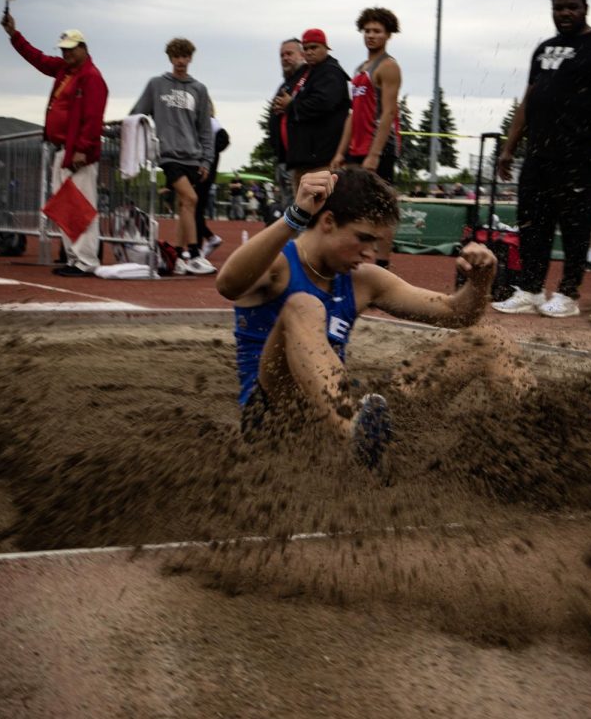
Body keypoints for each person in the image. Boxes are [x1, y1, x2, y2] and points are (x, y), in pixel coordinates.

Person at [215, 166, 529, 469]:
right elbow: (228, 284)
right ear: (327, 222)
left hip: (350, 413)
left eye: (376, 244)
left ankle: (537, 443)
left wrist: (482, 280)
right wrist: (295, 216)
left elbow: (457, 314)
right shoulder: (278, 266)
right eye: (363, 239)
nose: (370, 253)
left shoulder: (364, 279)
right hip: (274, 419)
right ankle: (352, 435)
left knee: (489, 340)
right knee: (304, 305)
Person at [492, 0, 591, 318]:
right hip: (539, 155)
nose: (565, 13)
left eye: (572, 7)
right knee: (532, 224)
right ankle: (530, 289)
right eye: (558, 7)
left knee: (575, 226)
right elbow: (528, 100)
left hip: (581, 155)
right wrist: (509, 148)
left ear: (586, 9)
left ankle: (568, 294)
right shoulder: (544, 49)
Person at [1, 15, 108, 276]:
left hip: (77, 153)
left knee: (80, 207)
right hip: (64, 150)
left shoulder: (91, 77)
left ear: (83, 48)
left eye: (71, 49)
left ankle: (86, 260)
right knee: (68, 207)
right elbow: (37, 58)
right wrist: (15, 35)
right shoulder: (67, 71)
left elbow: (93, 118)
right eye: (64, 49)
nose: (66, 53)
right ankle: (74, 258)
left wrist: (82, 148)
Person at [131, 38, 215, 275]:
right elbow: (138, 114)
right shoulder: (156, 84)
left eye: (184, 56)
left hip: (193, 157)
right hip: (168, 155)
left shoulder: (199, 89)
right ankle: (195, 255)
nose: (180, 61)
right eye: (176, 56)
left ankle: (176, 256)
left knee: (183, 206)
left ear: (190, 58)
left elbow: (205, 129)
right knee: (190, 200)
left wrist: (206, 160)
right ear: (170, 58)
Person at [332, 7, 402, 268]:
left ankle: (381, 265)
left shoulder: (389, 67)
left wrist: (375, 153)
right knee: (351, 203)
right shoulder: (361, 68)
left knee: (381, 205)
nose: (371, 35)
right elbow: (353, 112)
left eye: (377, 31)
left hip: (379, 146)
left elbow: (388, 113)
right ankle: (353, 260)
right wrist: (341, 151)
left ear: (388, 35)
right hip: (356, 145)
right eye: (367, 31)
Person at [272, 29, 350, 189]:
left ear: (326, 48)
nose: (309, 52)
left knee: (320, 208)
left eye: (314, 48)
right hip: (304, 159)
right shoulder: (309, 73)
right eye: (306, 48)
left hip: (322, 159)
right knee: (303, 209)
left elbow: (323, 103)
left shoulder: (330, 72)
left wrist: (291, 105)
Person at [269, 38, 307, 209]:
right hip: (284, 158)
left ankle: (300, 237)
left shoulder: (307, 79)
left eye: (289, 54)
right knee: (288, 208)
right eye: (282, 55)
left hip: (300, 158)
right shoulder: (285, 85)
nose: (285, 58)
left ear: (302, 54)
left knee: (299, 209)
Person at [195, 115, 230, 258]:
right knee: (193, 210)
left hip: (203, 173)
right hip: (202, 171)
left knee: (194, 210)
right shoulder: (204, 122)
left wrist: (207, 155)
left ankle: (199, 247)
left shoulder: (210, 122)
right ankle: (201, 243)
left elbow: (224, 139)